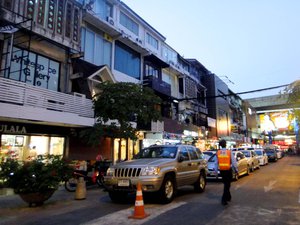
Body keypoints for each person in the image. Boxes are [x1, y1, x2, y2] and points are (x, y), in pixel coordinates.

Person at [215, 139, 238, 206]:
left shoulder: (218, 152)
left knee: (226, 184)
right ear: (226, 144)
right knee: (227, 185)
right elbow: (234, 162)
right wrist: (236, 170)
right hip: (228, 171)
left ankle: (228, 197)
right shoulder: (229, 152)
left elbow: (216, 163)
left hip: (222, 171)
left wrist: (216, 172)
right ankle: (224, 199)